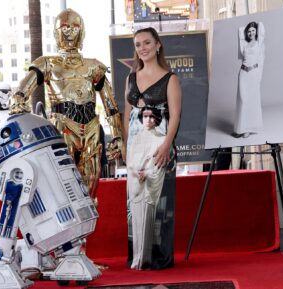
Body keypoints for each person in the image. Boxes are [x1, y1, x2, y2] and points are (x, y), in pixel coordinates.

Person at [10, 8, 124, 204]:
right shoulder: (46, 64)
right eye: (65, 27)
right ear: (56, 32)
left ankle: (85, 231)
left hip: (91, 130)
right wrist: (18, 100)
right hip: (61, 129)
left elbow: (110, 105)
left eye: (75, 27)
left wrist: (117, 135)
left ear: (82, 31)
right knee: (62, 188)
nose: (70, 31)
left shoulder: (94, 66)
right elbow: (22, 90)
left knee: (91, 189)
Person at [123, 27, 182, 270]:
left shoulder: (171, 79)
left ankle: (159, 259)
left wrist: (166, 146)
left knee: (160, 203)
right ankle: (138, 257)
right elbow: (127, 115)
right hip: (136, 149)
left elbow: (176, 116)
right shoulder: (130, 78)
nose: (143, 48)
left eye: (147, 42)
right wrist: (126, 148)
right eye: (138, 44)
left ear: (158, 45)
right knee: (135, 201)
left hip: (160, 147)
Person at [232, 21, 265, 138]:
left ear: (256, 31)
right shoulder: (244, 45)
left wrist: (259, 77)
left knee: (251, 100)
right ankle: (239, 128)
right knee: (242, 99)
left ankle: (248, 129)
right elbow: (240, 32)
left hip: (253, 73)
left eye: (253, 30)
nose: (251, 33)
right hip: (243, 73)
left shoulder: (259, 44)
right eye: (249, 31)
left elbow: (261, 61)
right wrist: (243, 31)